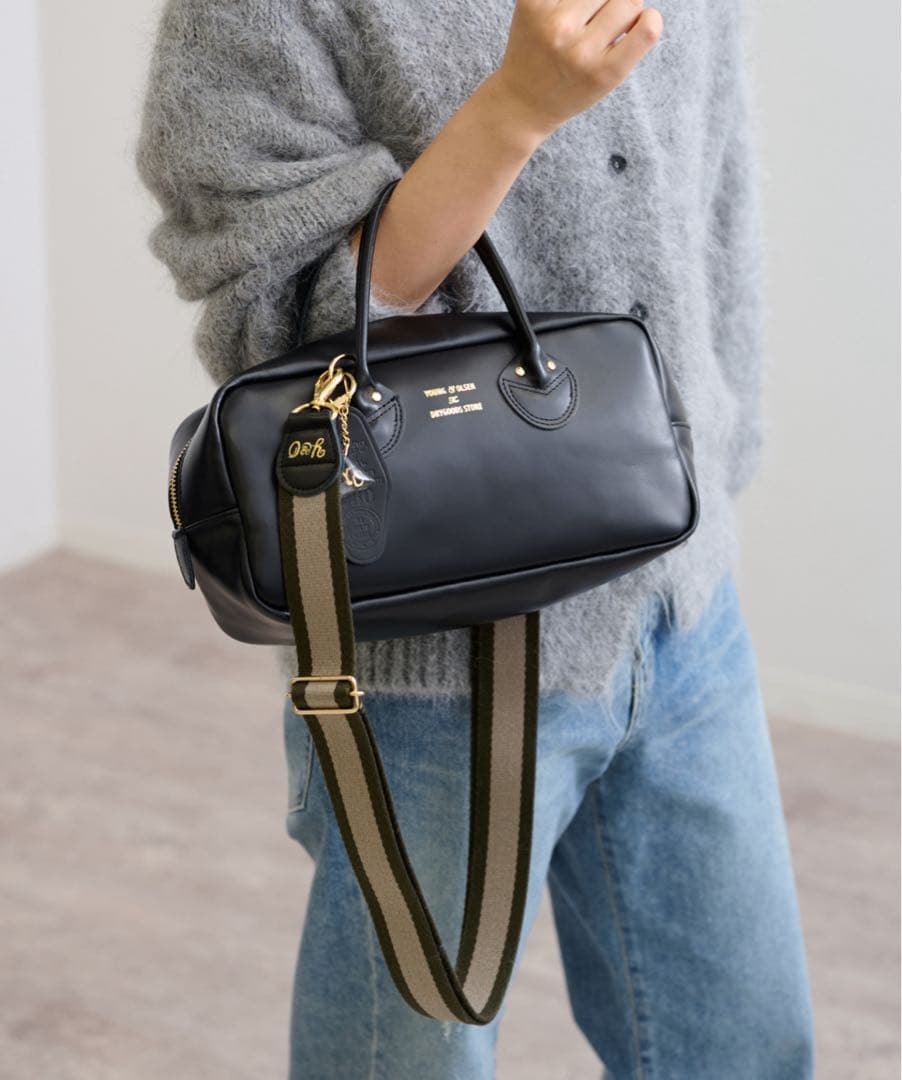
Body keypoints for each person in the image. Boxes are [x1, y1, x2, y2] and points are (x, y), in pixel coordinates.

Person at [135, 1, 816, 1075]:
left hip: (682, 604)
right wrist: (512, 112)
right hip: (431, 672)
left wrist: (716, 462)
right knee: (407, 1056)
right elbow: (276, 333)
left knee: (744, 1048)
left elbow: (717, 184)